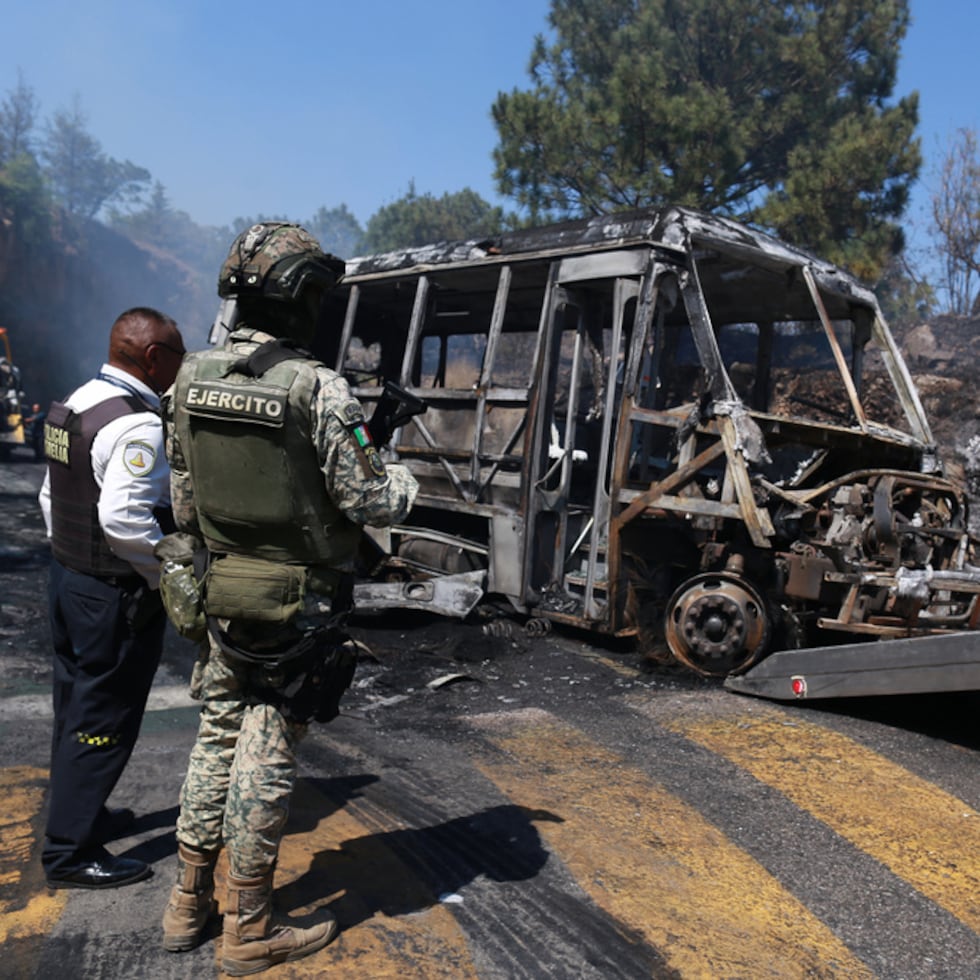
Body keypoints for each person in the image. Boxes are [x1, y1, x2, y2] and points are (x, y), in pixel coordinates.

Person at [160, 222, 418, 975]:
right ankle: (249, 926)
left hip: (221, 592)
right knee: (266, 750)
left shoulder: (189, 375)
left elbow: (183, 504)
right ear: (302, 297)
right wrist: (397, 474)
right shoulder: (315, 385)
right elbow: (373, 499)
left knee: (214, 737)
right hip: (295, 606)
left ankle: (187, 903)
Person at [38, 306, 186, 888]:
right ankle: (70, 853)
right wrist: (163, 575)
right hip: (111, 594)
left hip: (69, 580)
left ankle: (80, 813)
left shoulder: (76, 401)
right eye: (176, 354)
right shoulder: (138, 425)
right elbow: (125, 520)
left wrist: (71, 559)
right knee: (104, 719)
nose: (180, 365)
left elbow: (53, 496)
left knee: (74, 707)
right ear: (153, 359)